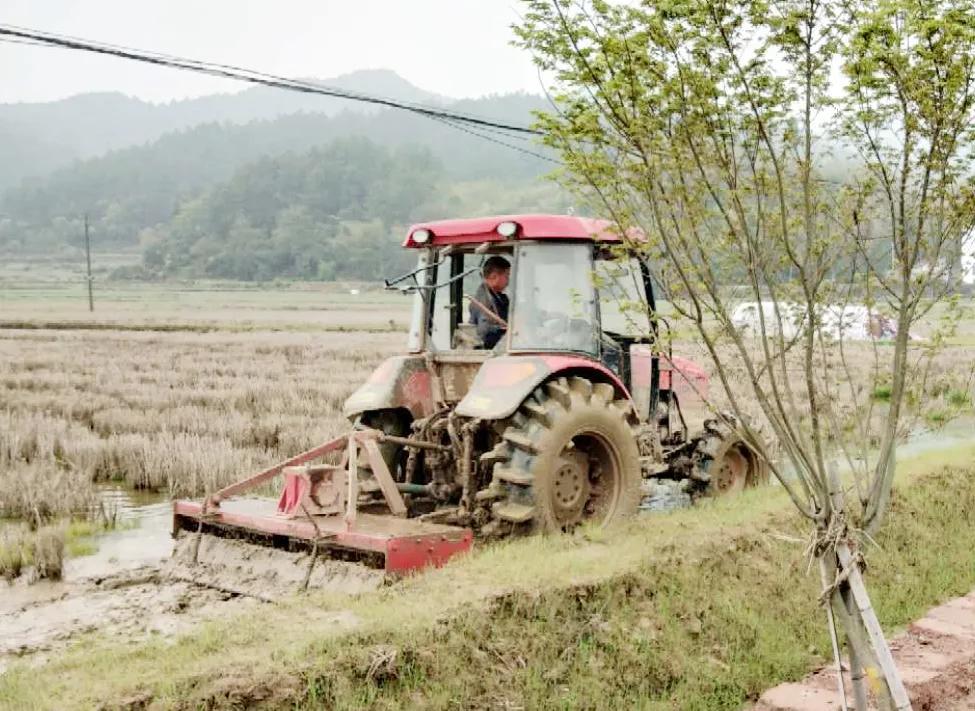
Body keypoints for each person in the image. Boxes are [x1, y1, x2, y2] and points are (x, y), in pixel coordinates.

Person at [469, 255, 510, 349]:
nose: (508, 281)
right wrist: (507, 329)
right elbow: (484, 331)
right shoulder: (482, 301)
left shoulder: (500, 297)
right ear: (494, 276)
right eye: (506, 276)